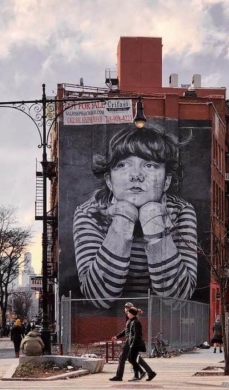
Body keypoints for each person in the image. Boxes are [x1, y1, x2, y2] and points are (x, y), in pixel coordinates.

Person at [73, 124, 198, 308]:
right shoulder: (89, 213)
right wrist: (123, 220)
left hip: (164, 324)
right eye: (123, 165)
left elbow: (177, 298)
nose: (136, 175)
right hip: (107, 324)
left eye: (149, 165)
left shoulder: (181, 211)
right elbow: (98, 297)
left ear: (166, 181)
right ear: (109, 180)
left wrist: (154, 224)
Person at [126, 307, 156, 382]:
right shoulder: (132, 321)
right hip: (134, 343)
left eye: (129, 313)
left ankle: (141, 373)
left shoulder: (136, 322)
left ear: (132, 314)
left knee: (131, 359)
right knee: (131, 359)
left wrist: (132, 344)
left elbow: (137, 335)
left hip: (136, 344)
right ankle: (148, 373)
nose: (128, 314)